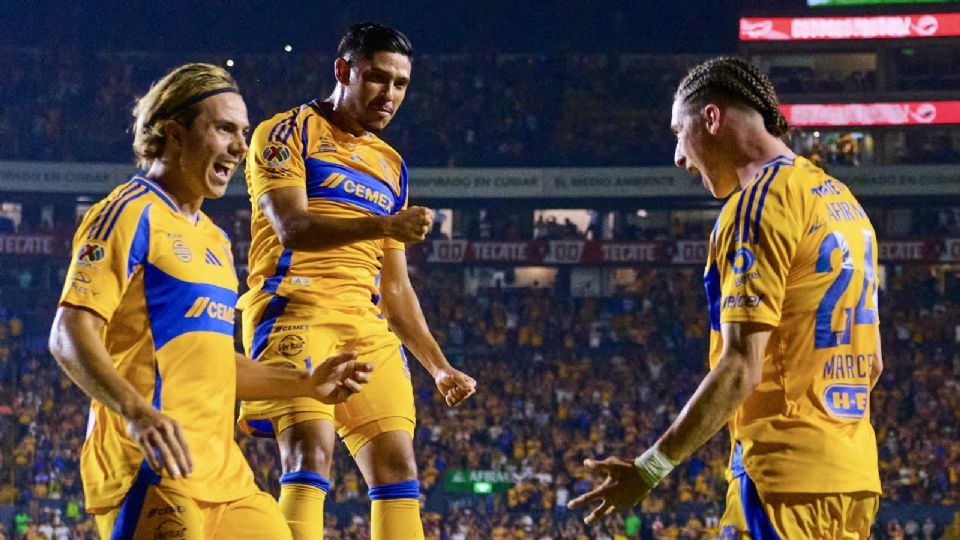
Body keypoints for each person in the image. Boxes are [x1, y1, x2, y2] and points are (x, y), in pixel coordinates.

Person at [48, 63, 372, 540]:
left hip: (226, 478)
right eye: (224, 129)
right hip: (149, 468)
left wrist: (306, 383)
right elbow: (67, 333)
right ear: (175, 133)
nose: (240, 147)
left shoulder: (218, 242)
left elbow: (216, 363)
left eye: (243, 132)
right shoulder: (128, 213)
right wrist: (138, 412)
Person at [569, 56, 882, 538]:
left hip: (781, 481)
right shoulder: (841, 200)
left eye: (679, 132)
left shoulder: (758, 203)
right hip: (854, 478)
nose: (678, 156)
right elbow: (873, 362)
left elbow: (741, 365)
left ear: (711, 118)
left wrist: (650, 468)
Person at [238, 22, 477, 539]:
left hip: (365, 324)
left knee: (398, 468)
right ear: (343, 71)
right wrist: (385, 224)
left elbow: (395, 288)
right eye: (376, 78)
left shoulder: (391, 166)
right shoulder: (284, 132)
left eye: (400, 84)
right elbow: (292, 227)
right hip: (292, 308)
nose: (388, 94)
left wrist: (438, 367)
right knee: (310, 450)